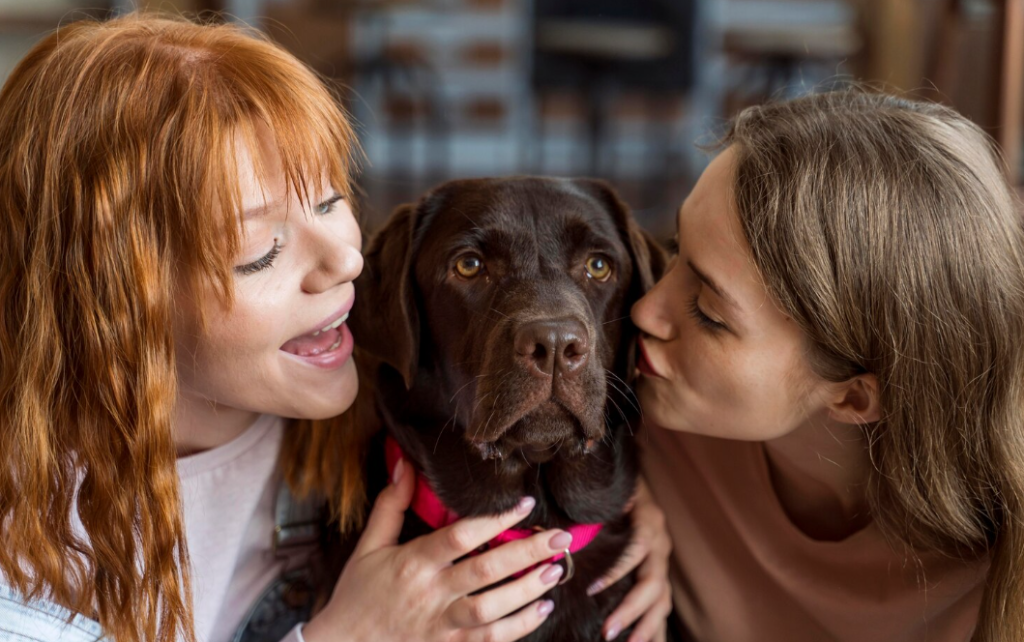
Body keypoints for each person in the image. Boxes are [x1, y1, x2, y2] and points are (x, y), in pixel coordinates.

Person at [0, 14, 670, 642]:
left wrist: (630, 519)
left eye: (329, 200)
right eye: (260, 249)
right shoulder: (22, 565)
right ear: (114, 301)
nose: (346, 261)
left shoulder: (359, 432)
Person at [633, 90, 1024, 642]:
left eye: (709, 312)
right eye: (676, 248)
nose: (644, 309)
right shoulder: (644, 409)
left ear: (852, 397)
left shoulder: (995, 559)